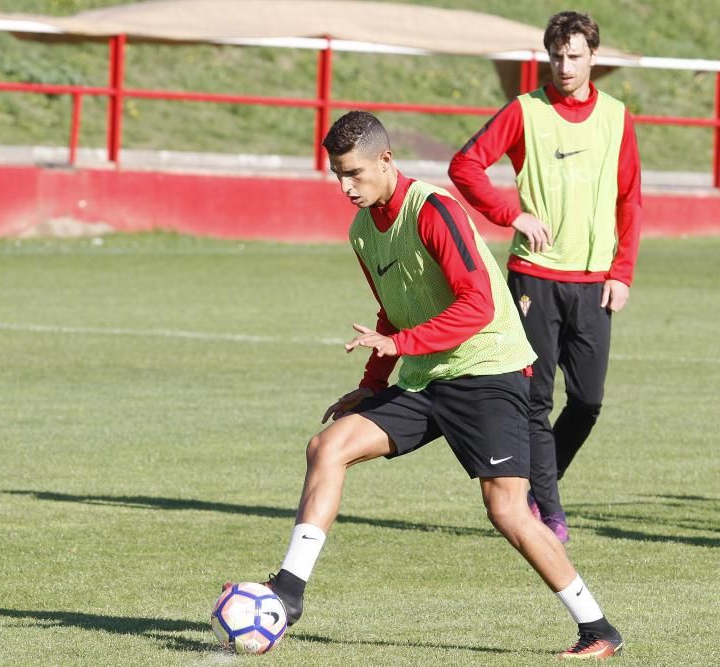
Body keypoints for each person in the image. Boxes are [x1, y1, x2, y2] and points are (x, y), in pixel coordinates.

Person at [226, 110, 624, 660]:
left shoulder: (434, 209)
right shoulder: (363, 231)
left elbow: (479, 305)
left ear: (386, 160)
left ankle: (598, 627)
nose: (345, 187)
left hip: (489, 370)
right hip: (428, 375)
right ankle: (289, 592)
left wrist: (400, 346)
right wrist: (371, 383)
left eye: (355, 174)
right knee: (328, 446)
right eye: (337, 174)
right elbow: (392, 313)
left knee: (507, 510)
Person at [449, 11, 643, 544]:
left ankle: (536, 487)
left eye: (575, 56)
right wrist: (511, 215)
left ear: (593, 58)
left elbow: (630, 200)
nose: (564, 66)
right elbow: (465, 165)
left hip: (594, 282)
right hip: (534, 278)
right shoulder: (524, 111)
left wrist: (621, 272)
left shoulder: (617, 118)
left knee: (588, 401)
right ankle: (550, 514)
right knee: (536, 401)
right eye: (556, 56)